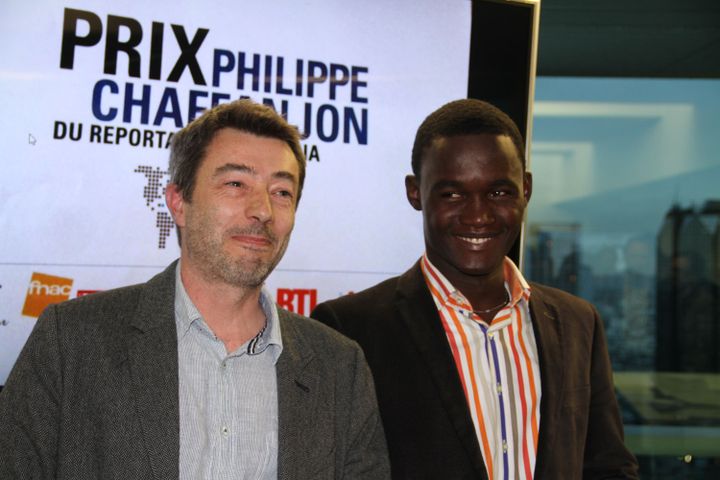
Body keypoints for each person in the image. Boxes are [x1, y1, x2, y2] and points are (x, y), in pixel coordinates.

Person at [0, 99, 390, 479]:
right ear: (178, 202)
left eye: (281, 192)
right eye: (236, 183)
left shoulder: (340, 367)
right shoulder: (71, 342)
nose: (262, 210)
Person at [311, 99, 639, 479]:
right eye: (452, 194)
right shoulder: (350, 329)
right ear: (415, 193)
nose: (478, 215)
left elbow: (608, 466)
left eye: (499, 192)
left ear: (526, 189)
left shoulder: (577, 322)